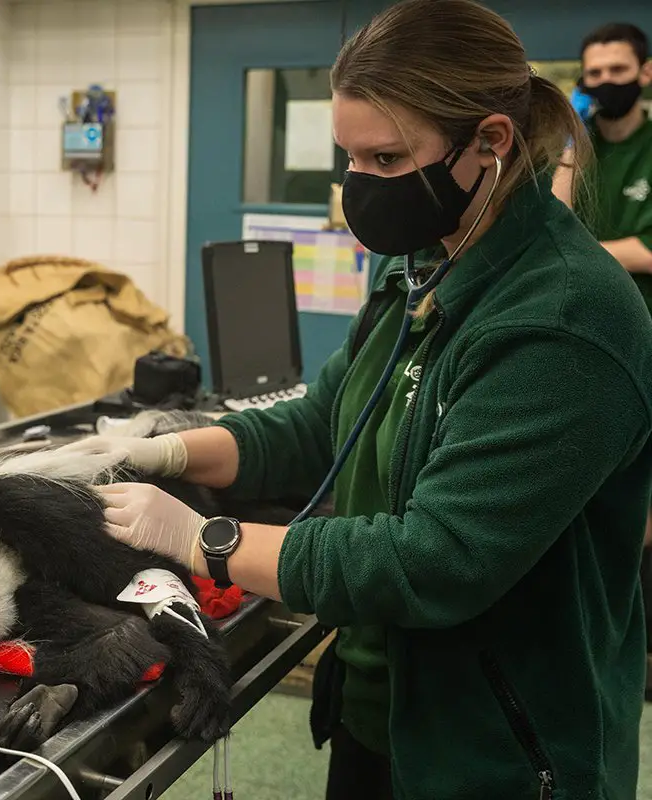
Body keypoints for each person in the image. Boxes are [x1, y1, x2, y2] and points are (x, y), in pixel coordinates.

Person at [67, 1, 652, 798]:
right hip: (382, 710)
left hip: (501, 746)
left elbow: (435, 559)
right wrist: (167, 447)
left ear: (490, 141)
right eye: (348, 158)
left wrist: (206, 538)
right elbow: (323, 425)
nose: (359, 189)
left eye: (385, 159)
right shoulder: (420, 261)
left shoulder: (564, 321)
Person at [554, 23, 652, 304]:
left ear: (645, 73)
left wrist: (571, 254)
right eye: (594, 73)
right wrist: (572, 142)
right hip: (577, 309)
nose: (606, 80)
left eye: (618, 70)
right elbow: (554, 221)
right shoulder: (569, 151)